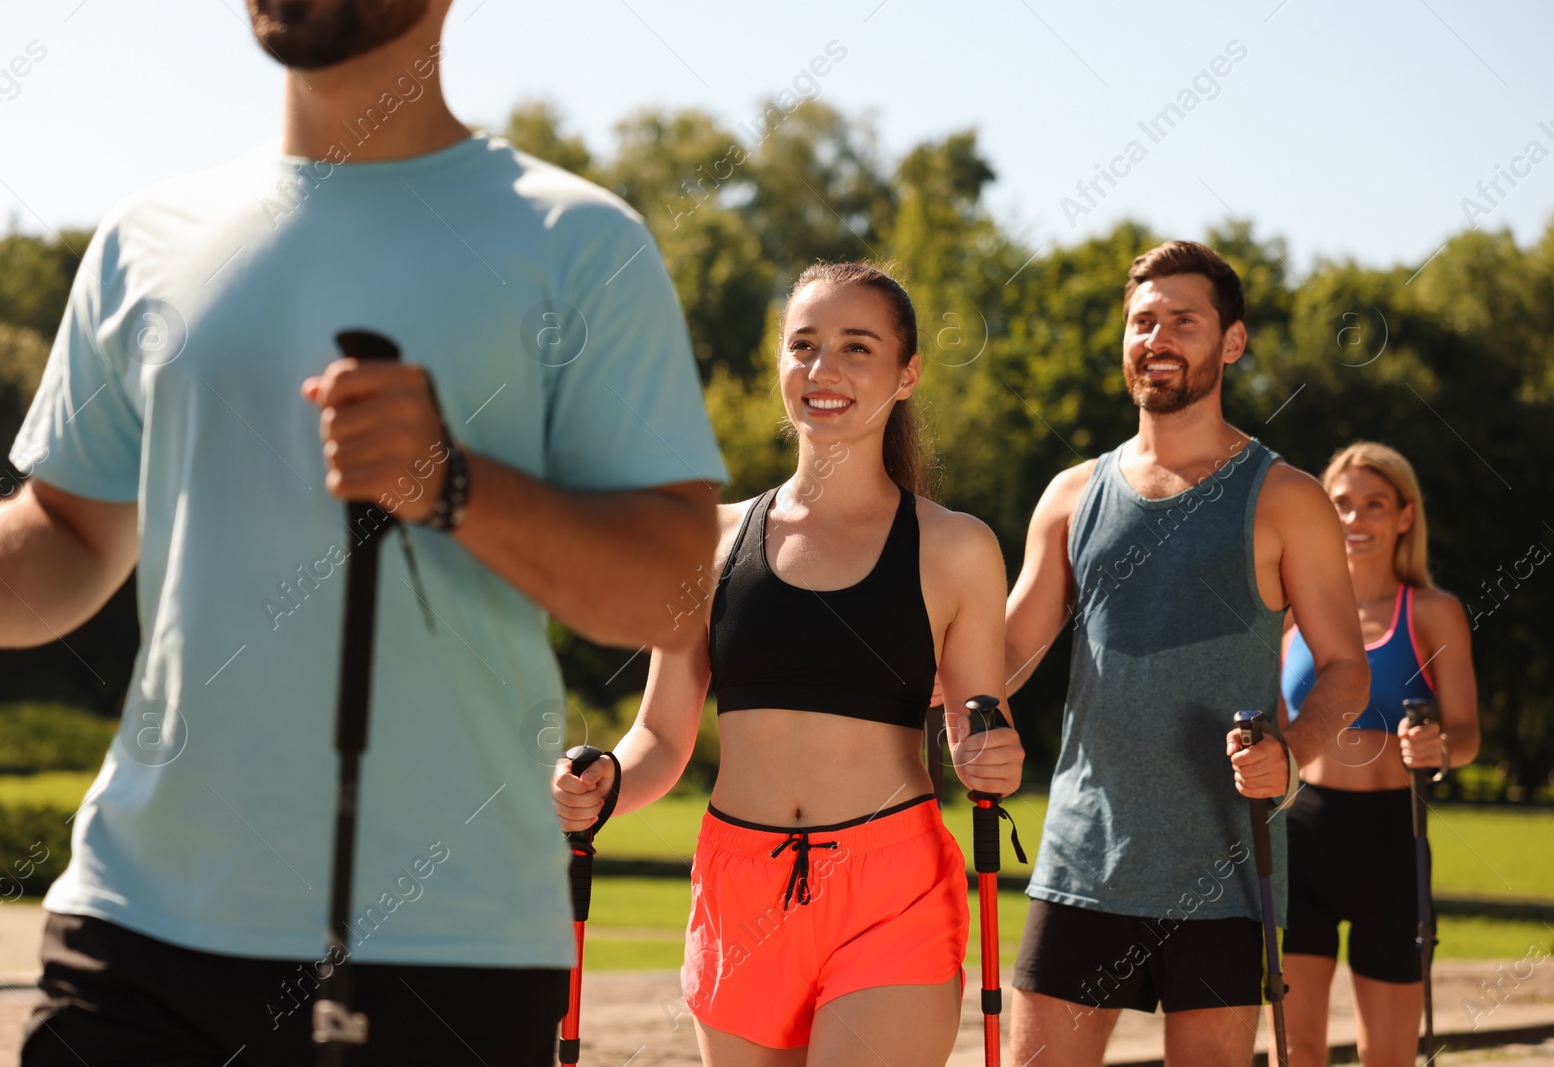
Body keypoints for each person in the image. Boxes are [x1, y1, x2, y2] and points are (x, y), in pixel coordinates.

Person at [0, 1, 726, 1063]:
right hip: (138, 923)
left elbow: (672, 583)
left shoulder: (575, 242)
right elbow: (67, 541)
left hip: (449, 947)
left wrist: (455, 482)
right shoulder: (146, 238)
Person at [552, 262, 1024, 1066]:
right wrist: (604, 783)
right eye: (802, 345)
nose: (823, 370)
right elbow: (661, 736)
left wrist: (995, 754)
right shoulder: (707, 540)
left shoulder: (956, 547)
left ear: (907, 373)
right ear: (779, 365)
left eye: (855, 347)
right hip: (739, 894)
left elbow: (978, 727)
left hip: (890, 889)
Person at [1001, 240, 1371, 1067]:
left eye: (1183, 320)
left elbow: (1347, 668)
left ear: (1231, 342)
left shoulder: (1286, 497)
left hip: (1225, 867)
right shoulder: (1071, 495)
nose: (1157, 336)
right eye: (1142, 320)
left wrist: (1295, 752)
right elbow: (1009, 649)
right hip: (1083, 858)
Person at [1279, 442, 1479, 1067]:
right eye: (1340, 505)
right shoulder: (1287, 614)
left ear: (1405, 516)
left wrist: (1440, 746)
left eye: (1374, 504)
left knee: (1387, 1056)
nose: (1355, 520)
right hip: (1300, 838)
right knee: (1300, 1049)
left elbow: (1468, 734)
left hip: (1394, 839)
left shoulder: (1434, 612)